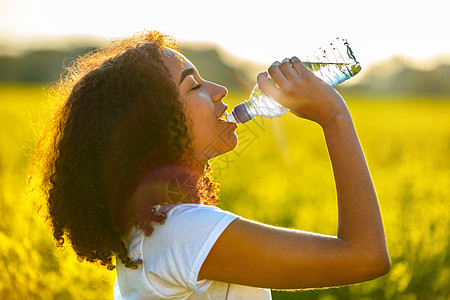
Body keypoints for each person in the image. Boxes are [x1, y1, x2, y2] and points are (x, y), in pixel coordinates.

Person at [31, 30, 390, 299]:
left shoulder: (154, 232)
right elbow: (366, 257)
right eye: (194, 87)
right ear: (154, 126)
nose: (219, 89)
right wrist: (334, 116)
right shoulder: (183, 232)